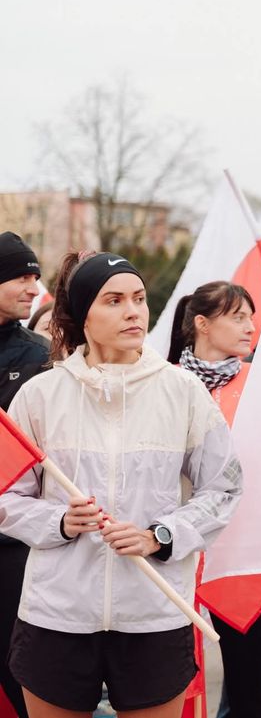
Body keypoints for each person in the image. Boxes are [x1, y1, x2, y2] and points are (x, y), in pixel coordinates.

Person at [0, 251, 242, 717]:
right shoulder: (40, 394)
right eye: (114, 300)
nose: (133, 311)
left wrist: (161, 536)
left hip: (154, 612)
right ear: (83, 314)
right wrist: (60, 522)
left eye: (139, 298)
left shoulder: (182, 390)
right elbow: (7, 495)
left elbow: (224, 488)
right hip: (56, 615)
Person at [166, 280, 261, 718]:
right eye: (238, 316)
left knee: (249, 685)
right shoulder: (164, 382)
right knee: (173, 679)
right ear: (202, 324)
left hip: (245, 549)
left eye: (251, 316)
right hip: (173, 546)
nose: (251, 326)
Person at [0, 233, 50, 718]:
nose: (33, 287)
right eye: (21, 276)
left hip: (12, 544)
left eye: (35, 276)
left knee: (18, 672)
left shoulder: (38, 355)